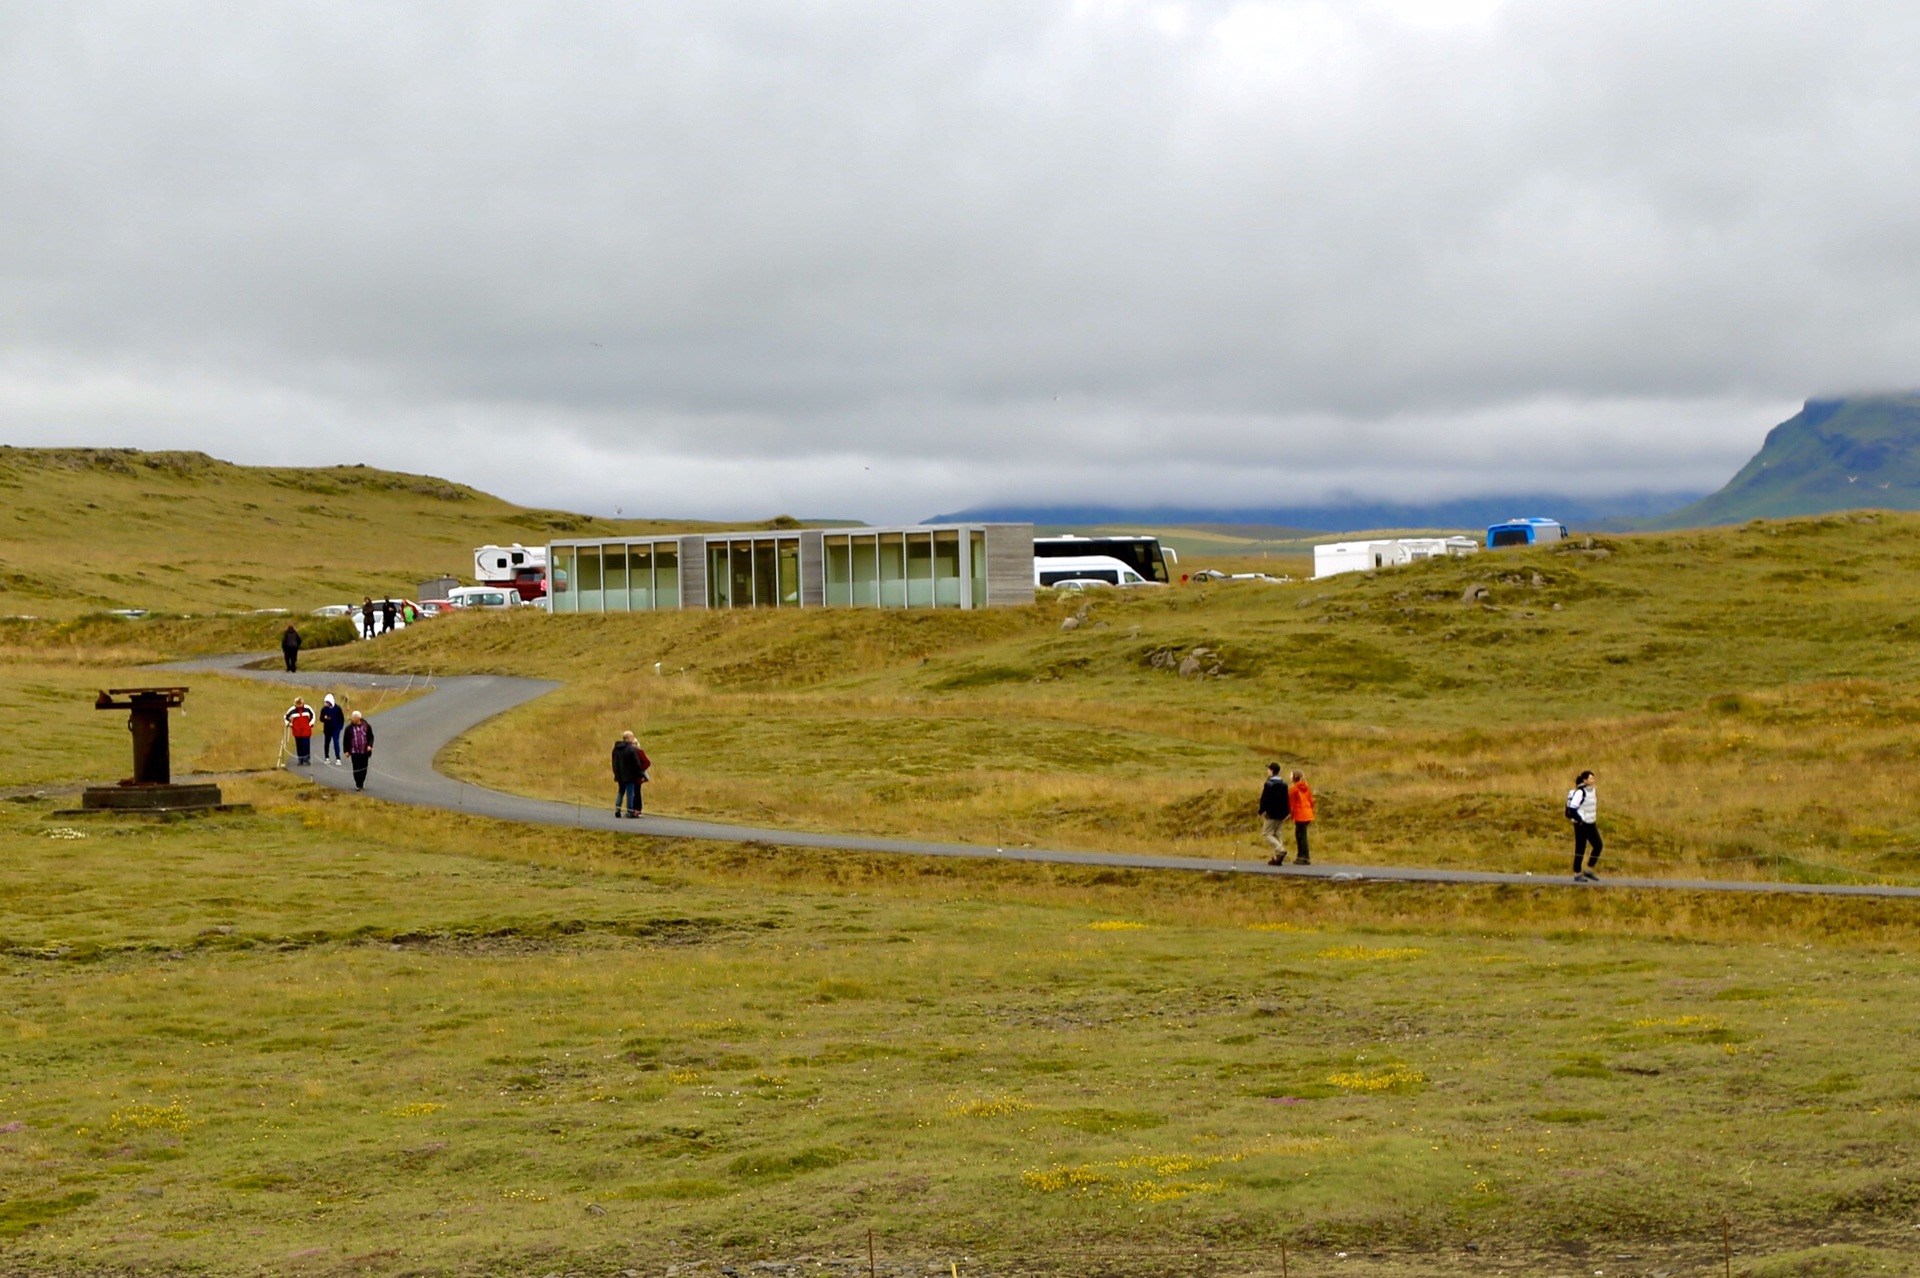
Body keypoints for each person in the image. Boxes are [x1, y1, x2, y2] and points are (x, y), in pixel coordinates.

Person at [1568, 770, 1601, 881]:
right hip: (1581, 824)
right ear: (1585, 780)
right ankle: (1577, 873)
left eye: (1593, 778)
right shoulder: (1580, 792)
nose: (1593, 780)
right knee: (1580, 848)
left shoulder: (1593, 791)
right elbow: (1572, 809)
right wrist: (1580, 820)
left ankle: (1588, 869)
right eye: (1591, 778)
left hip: (1591, 822)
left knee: (1598, 845)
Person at [611, 730, 652, 818]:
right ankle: (630, 811)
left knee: (621, 792)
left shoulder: (616, 749)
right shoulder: (631, 749)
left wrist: (615, 772)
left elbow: (614, 762)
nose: (633, 739)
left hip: (620, 774)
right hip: (630, 775)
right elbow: (636, 764)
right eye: (632, 737)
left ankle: (617, 809)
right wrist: (640, 773)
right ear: (627, 738)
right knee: (630, 793)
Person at [1258, 763, 1293, 864]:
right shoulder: (1284, 784)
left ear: (1272, 771)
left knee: (1267, 833)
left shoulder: (1269, 784)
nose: (1267, 771)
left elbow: (1265, 799)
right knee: (1277, 834)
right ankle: (1278, 858)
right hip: (1282, 812)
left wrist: (1261, 810)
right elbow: (1286, 799)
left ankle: (1280, 850)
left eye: (1268, 769)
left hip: (1271, 812)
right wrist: (1287, 811)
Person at [1287, 770, 1315, 866]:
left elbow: (1291, 803)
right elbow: (1311, 801)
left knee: (1301, 836)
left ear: (1294, 778)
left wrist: (1290, 813)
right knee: (1302, 835)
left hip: (1300, 814)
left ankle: (1304, 857)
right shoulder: (1306, 787)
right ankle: (1302, 856)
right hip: (1308, 813)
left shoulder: (1293, 788)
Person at [344, 710, 375, 790]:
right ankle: (358, 784)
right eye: (352, 718)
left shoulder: (366, 726)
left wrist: (369, 745)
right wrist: (346, 751)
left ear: (359, 718)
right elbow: (346, 740)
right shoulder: (349, 728)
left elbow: (371, 737)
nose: (352, 719)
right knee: (356, 768)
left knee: (364, 768)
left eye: (354, 718)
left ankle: (361, 782)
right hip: (355, 752)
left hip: (364, 752)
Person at [284, 697, 315, 767]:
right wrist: (289, 724)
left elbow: (313, 716)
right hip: (297, 732)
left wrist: (310, 725)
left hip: (306, 731)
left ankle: (306, 759)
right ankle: (300, 759)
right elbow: (286, 717)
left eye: (300, 703)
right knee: (299, 745)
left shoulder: (307, 708)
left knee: (306, 744)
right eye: (297, 704)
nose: (299, 705)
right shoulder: (292, 710)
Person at [319, 693, 345, 767]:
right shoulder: (324, 709)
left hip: (335, 728)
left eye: (328, 702)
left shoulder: (337, 709)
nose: (326, 704)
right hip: (327, 729)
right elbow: (321, 719)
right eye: (326, 702)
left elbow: (341, 719)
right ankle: (326, 757)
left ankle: (338, 758)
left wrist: (340, 727)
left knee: (336, 742)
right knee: (327, 743)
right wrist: (325, 718)